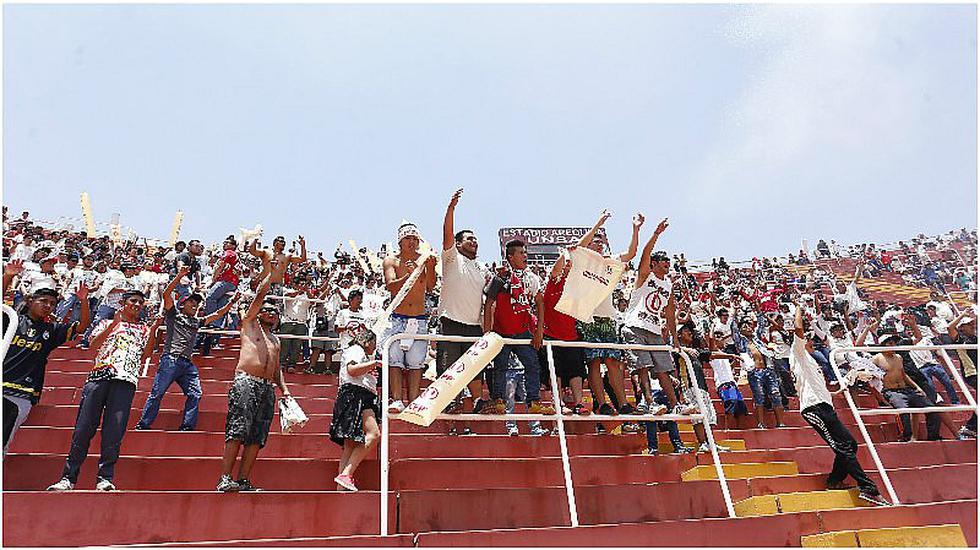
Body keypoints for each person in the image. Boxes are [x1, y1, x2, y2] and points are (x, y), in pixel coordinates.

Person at [47, 290, 162, 491]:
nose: (137, 305)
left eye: (140, 302)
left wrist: (153, 330)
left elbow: (146, 354)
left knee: (114, 431)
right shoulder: (106, 323)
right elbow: (94, 344)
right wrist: (116, 324)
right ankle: (68, 477)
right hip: (99, 377)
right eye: (133, 301)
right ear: (123, 303)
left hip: (125, 380)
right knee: (84, 429)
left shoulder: (143, 329)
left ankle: (105, 477)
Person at [789, 302, 890, 506]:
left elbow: (819, 388)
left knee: (850, 444)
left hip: (823, 405)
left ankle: (835, 480)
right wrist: (799, 307)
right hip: (813, 408)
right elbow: (798, 329)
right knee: (843, 446)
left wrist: (849, 380)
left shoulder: (810, 362)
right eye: (808, 338)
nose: (811, 340)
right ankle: (868, 488)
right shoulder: (797, 354)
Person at [135, 266, 240, 431]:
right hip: (171, 358)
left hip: (187, 363)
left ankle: (187, 426)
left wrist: (232, 302)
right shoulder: (173, 315)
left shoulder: (197, 321)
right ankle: (143, 424)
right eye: (192, 302)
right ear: (182, 304)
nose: (195, 305)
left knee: (195, 394)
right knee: (157, 393)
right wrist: (179, 276)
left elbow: (217, 315)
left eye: (197, 303)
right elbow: (166, 294)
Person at [3, 263, 92, 455]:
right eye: (43, 301)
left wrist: (84, 301)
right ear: (29, 301)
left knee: (3, 441)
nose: (48, 306)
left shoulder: (51, 331)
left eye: (52, 304)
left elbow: (82, 327)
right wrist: (7, 277)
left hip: (22, 394)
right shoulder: (12, 321)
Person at [217, 275, 291, 492]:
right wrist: (268, 279)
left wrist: (285, 390)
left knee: (257, 436)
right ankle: (225, 478)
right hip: (246, 382)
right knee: (237, 430)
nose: (269, 312)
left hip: (267, 387)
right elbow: (258, 299)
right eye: (265, 309)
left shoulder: (276, 339)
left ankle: (243, 480)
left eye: (273, 311)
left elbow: (276, 369)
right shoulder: (250, 325)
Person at [574, 210, 643, 416]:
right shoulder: (582, 259)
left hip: (609, 318)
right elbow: (578, 246)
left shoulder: (610, 260)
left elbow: (631, 253)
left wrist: (635, 229)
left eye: (601, 242)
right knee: (594, 362)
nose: (599, 244)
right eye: (595, 242)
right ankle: (602, 403)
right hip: (588, 317)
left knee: (613, 362)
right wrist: (599, 222)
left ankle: (623, 403)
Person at [438, 189, 491, 431]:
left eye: (476, 239)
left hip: (474, 327)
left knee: (474, 374)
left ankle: (475, 411)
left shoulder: (482, 268)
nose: (474, 241)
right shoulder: (451, 259)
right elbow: (447, 234)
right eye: (469, 238)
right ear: (458, 244)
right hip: (450, 322)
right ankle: (450, 418)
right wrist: (451, 209)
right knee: (450, 374)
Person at [484, 239, 555, 415]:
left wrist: (539, 331)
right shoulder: (499, 278)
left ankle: (533, 400)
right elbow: (488, 304)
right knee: (500, 366)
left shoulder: (531, 278)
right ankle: (498, 399)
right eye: (521, 253)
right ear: (510, 256)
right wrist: (487, 333)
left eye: (525, 253)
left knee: (532, 365)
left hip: (523, 332)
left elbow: (540, 303)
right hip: (501, 332)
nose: (525, 256)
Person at [621, 219, 679, 411]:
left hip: (654, 330)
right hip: (635, 325)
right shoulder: (645, 275)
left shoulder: (668, 285)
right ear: (654, 263)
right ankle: (649, 402)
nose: (667, 263)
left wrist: (675, 340)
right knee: (642, 366)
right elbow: (645, 254)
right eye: (664, 260)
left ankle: (676, 404)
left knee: (664, 369)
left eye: (668, 261)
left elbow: (670, 314)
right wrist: (656, 234)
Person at [382, 222, 438, 412]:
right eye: (408, 238)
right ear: (400, 241)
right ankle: (397, 399)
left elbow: (430, 286)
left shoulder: (424, 259)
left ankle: (414, 401)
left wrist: (430, 268)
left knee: (416, 363)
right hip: (397, 317)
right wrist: (407, 275)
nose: (412, 242)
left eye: (415, 239)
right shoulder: (391, 261)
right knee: (394, 360)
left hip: (419, 318)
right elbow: (390, 286)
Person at [872, 331, 962, 442]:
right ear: (883, 345)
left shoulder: (899, 357)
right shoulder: (876, 358)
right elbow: (870, 378)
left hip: (906, 389)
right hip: (891, 391)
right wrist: (880, 397)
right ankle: (906, 437)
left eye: (894, 343)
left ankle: (933, 437)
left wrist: (916, 387)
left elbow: (903, 375)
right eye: (890, 343)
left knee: (932, 409)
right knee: (903, 410)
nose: (893, 345)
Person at [329, 330, 382, 492]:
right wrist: (376, 363)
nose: (375, 347)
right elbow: (352, 370)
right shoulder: (356, 350)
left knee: (350, 444)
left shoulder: (359, 353)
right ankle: (346, 475)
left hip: (354, 394)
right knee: (373, 434)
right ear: (367, 341)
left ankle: (341, 485)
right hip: (356, 394)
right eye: (374, 343)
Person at [737, 319, 786, 429]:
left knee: (775, 394)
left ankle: (780, 422)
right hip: (755, 371)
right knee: (759, 396)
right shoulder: (741, 342)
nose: (748, 328)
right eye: (744, 327)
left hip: (768, 369)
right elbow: (733, 328)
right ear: (740, 331)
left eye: (749, 326)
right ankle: (760, 423)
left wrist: (758, 308)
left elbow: (761, 324)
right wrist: (734, 311)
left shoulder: (756, 339)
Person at [200, 236, 241, 355]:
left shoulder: (229, 253)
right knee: (222, 309)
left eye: (227, 243)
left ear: (233, 245)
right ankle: (216, 331)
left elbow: (219, 266)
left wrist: (213, 280)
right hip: (233, 284)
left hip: (225, 281)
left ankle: (211, 321)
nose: (224, 244)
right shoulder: (237, 257)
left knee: (210, 298)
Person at [947, 309, 977, 438]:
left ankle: (971, 427)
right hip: (971, 373)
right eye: (969, 324)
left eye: (972, 324)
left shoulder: (975, 338)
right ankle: (970, 427)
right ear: (962, 327)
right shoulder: (960, 339)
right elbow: (950, 327)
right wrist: (962, 315)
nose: (973, 326)